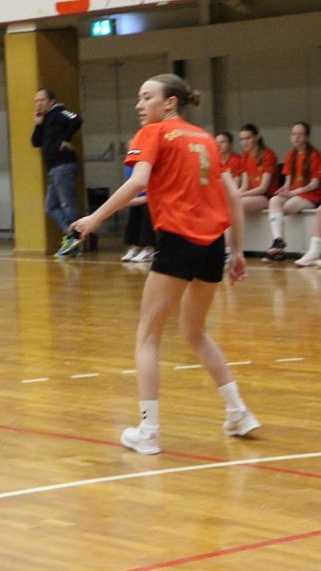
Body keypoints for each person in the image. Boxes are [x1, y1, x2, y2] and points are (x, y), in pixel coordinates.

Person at [71, 74, 259, 455]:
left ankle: (149, 432)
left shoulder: (153, 134)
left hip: (178, 242)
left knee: (147, 336)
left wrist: (96, 218)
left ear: (169, 103)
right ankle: (238, 412)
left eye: (146, 97)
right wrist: (237, 251)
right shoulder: (205, 139)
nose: (139, 105)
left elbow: (138, 181)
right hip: (212, 248)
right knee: (195, 332)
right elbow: (232, 198)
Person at [31, 88, 84, 257]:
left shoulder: (59, 112)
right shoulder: (45, 120)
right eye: (36, 101)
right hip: (53, 169)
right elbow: (35, 142)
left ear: (51, 101)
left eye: (42, 100)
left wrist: (66, 138)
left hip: (64, 166)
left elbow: (76, 119)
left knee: (67, 205)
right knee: (51, 206)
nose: (39, 104)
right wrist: (38, 124)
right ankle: (71, 236)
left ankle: (76, 238)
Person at [264, 122, 321, 262]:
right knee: (274, 200)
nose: (296, 137)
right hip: (295, 194)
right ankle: (278, 241)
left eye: (300, 134)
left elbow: (314, 184)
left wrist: (292, 193)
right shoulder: (290, 155)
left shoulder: (314, 155)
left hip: (310, 196)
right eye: (294, 134)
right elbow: (288, 182)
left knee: (286, 207)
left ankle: (279, 250)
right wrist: (284, 190)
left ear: (307, 137)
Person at [237, 123, 277, 214]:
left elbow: (263, 188)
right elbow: (244, 186)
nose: (245, 142)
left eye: (248, 138)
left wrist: (240, 195)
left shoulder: (267, 155)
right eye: (242, 139)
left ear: (257, 137)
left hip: (266, 196)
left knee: (237, 203)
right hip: (251, 196)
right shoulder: (245, 156)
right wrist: (235, 194)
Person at [119, 164, 155, 263]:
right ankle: (136, 246)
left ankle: (149, 248)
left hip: (153, 197)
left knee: (147, 212)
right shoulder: (130, 164)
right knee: (134, 214)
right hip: (139, 197)